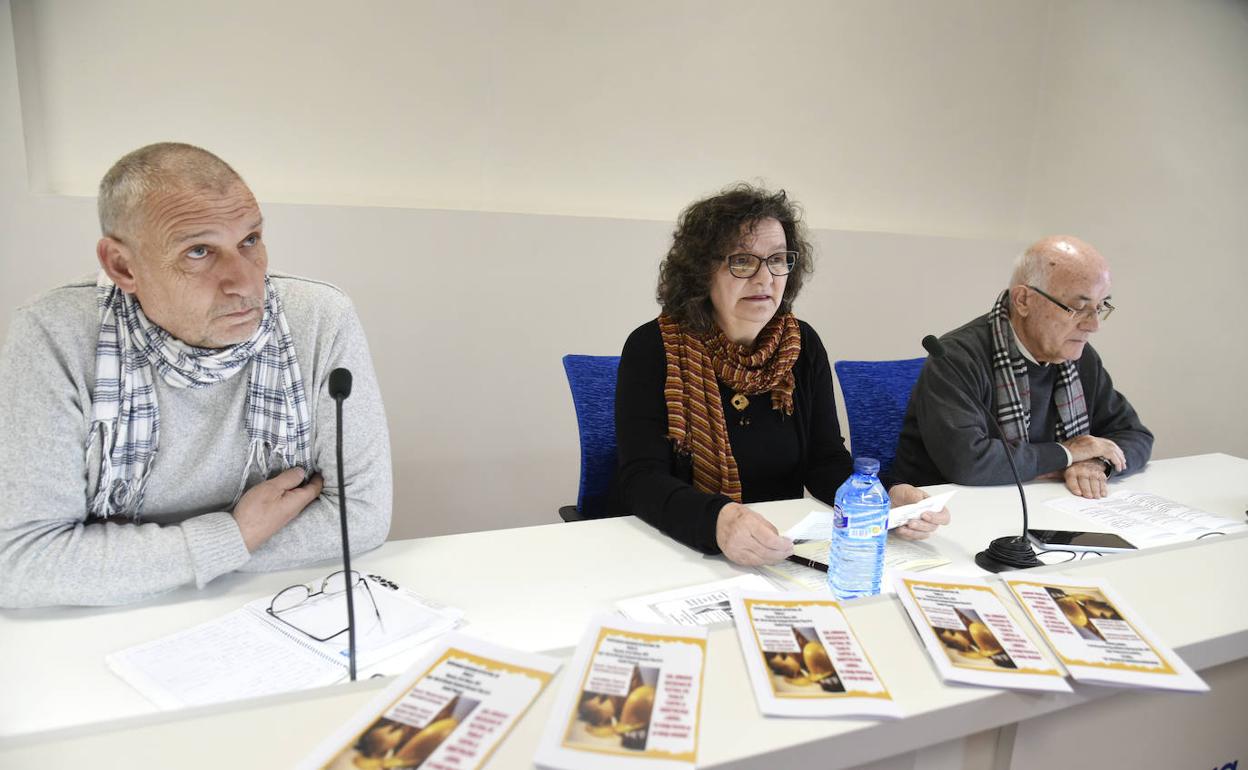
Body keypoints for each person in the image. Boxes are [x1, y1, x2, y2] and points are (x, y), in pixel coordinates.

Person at [0, 143, 392, 608]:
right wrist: (235, 535)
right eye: (199, 251)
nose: (246, 282)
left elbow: (361, 517)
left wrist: (119, 561)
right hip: (115, 620)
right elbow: (21, 561)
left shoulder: (320, 318)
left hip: (271, 603)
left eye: (250, 241)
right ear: (122, 266)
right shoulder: (55, 333)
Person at [611, 184, 949, 567]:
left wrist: (885, 497)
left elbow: (824, 462)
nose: (764, 278)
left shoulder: (801, 344)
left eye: (777, 260)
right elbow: (641, 480)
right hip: (674, 547)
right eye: (742, 261)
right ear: (702, 271)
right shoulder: (654, 347)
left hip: (776, 549)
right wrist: (717, 521)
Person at [892, 235, 1153, 499]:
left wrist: (1096, 462)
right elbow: (969, 462)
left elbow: (1135, 435)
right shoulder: (956, 358)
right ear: (1023, 301)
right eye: (1078, 306)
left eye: (1101, 306)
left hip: (1046, 505)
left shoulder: (1080, 358)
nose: (1094, 325)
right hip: (947, 513)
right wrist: (1068, 454)